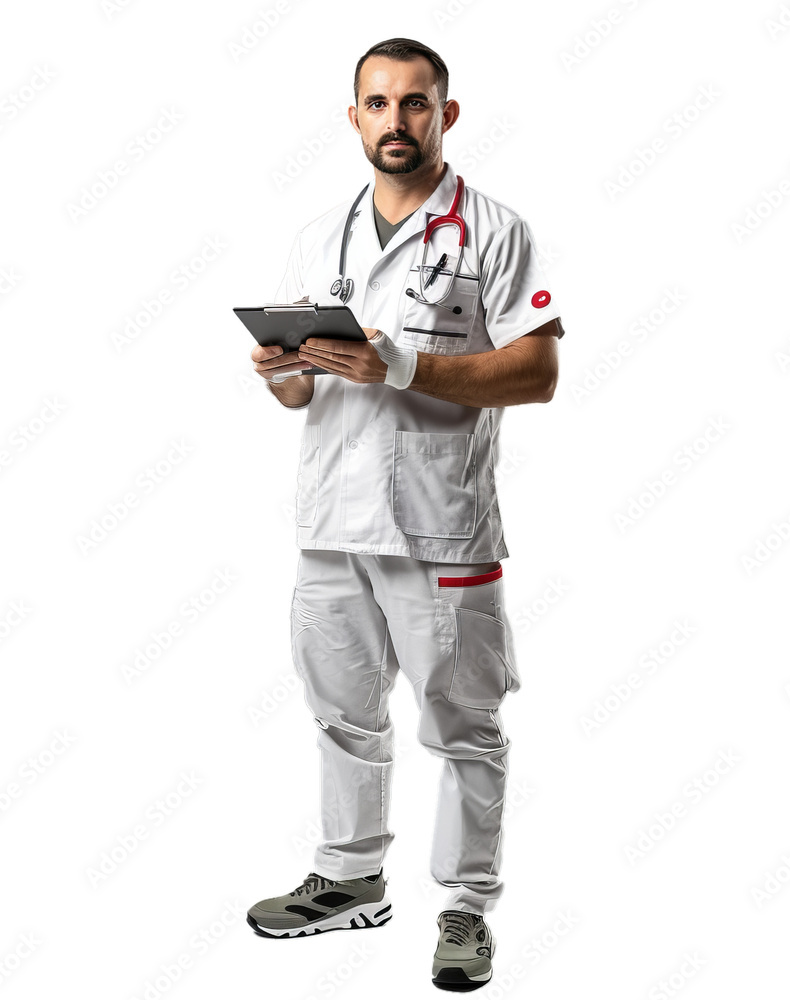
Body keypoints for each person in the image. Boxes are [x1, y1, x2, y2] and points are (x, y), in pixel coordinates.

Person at [245, 38, 565, 992]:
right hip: (330, 525)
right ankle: (349, 880)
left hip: (439, 526)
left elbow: (539, 375)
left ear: (445, 115)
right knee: (341, 717)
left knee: (463, 724)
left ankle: (466, 908)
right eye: (378, 104)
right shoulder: (318, 236)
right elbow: (303, 400)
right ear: (354, 117)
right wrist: (281, 371)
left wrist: (408, 365)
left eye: (415, 104)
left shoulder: (496, 234)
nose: (396, 121)